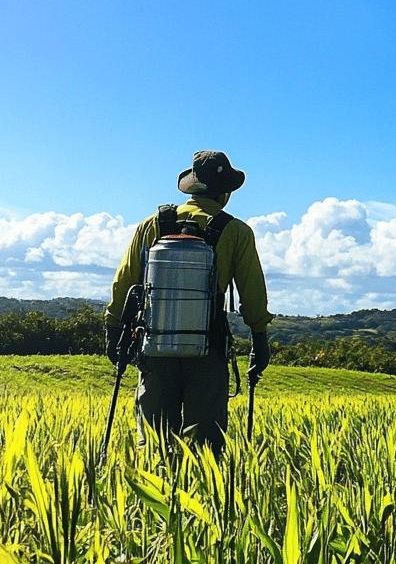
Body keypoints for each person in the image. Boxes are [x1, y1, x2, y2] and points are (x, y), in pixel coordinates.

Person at [105, 150, 271, 453]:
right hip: (208, 348)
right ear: (224, 193)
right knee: (204, 445)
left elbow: (124, 282)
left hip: (155, 346)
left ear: (192, 188)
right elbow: (253, 293)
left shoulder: (151, 225)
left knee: (155, 442)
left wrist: (113, 330)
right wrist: (259, 338)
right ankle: (201, 496)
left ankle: (154, 495)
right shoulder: (236, 231)